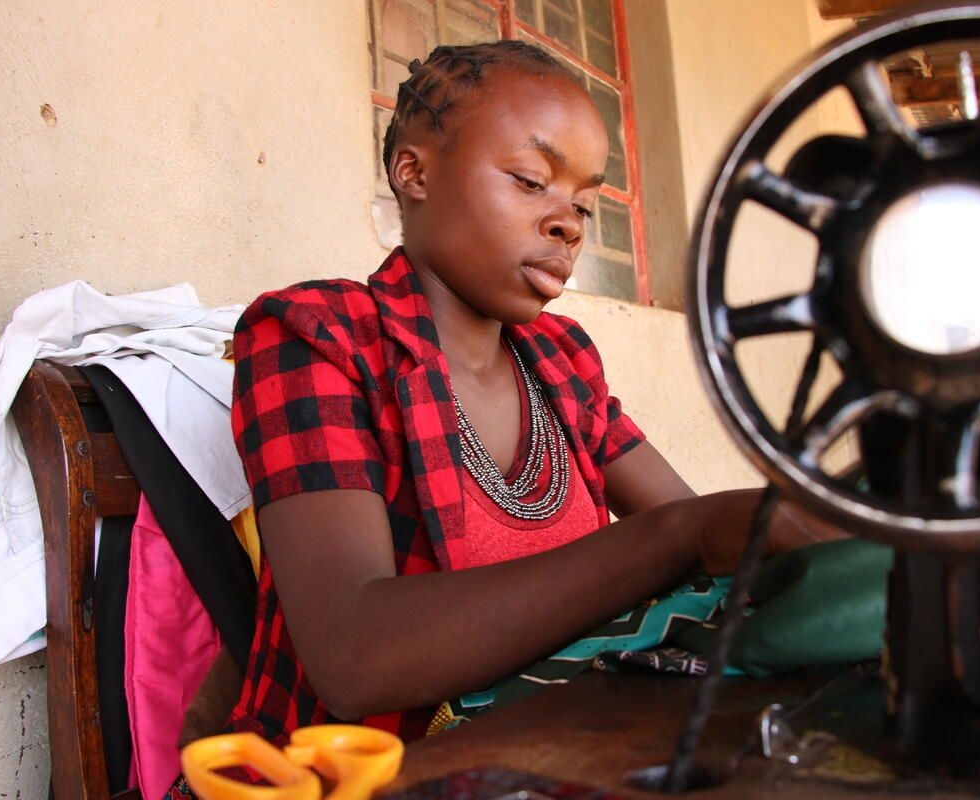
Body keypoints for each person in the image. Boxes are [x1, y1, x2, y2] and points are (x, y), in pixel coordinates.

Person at [221, 40, 843, 752]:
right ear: (413, 171)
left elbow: (708, 539)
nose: (568, 222)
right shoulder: (319, 338)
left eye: (583, 201)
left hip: (559, 749)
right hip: (366, 774)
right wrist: (685, 537)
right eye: (528, 180)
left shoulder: (563, 359)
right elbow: (355, 654)